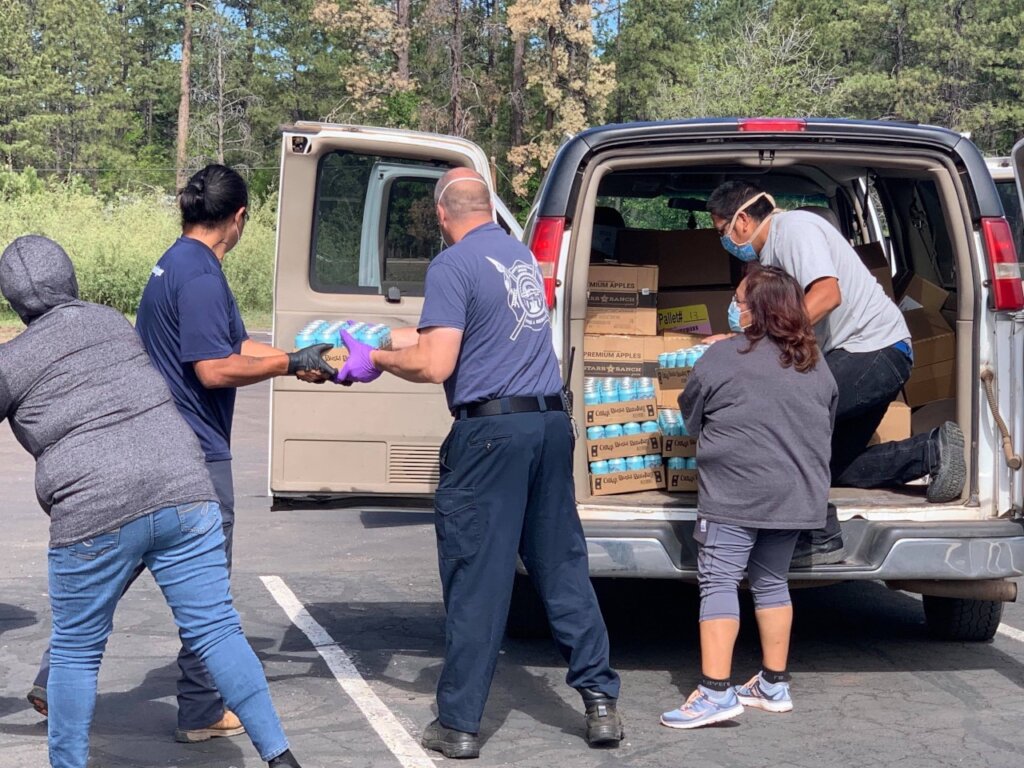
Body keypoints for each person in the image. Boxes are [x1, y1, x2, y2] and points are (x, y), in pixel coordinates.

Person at [27, 164, 335, 744]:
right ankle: (198, 709)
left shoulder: (179, 262)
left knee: (118, 567)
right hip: (190, 457)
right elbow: (213, 367)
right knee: (207, 592)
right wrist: (290, 364)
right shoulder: (199, 276)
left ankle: (54, 672)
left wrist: (296, 357)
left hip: (154, 450)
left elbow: (230, 344)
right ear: (239, 219)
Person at [335, 167, 623, 759]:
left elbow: (438, 364)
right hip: (547, 426)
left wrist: (377, 362)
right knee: (560, 566)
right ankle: (599, 702)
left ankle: (460, 724)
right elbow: (468, 331)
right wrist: (386, 338)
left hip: (489, 436)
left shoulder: (450, 264)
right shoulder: (517, 256)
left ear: (442, 215)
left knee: (477, 579)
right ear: (488, 208)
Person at [706, 180, 966, 566]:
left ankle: (819, 536)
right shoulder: (770, 254)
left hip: (874, 351)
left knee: (784, 418)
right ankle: (931, 451)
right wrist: (737, 339)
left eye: (721, 231)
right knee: (835, 465)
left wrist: (769, 340)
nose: (724, 240)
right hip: (860, 354)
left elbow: (827, 294)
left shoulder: (793, 229)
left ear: (742, 220)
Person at [661, 266, 837, 729]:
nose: (735, 309)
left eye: (740, 302)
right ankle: (773, 683)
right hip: (797, 498)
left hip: (736, 495)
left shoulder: (721, 359)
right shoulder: (815, 363)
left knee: (719, 582)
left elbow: (691, 420)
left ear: (758, 310)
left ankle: (716, 692)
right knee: (772, 582)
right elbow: (828, 422)